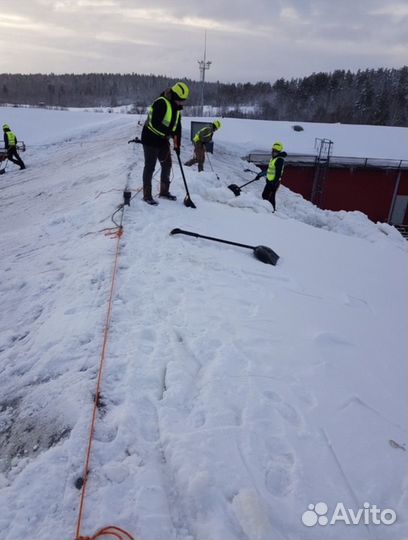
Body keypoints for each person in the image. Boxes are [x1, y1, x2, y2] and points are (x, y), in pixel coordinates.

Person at [140, 81, 190, 205]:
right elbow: (154, 123)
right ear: (173, 95)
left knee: (167, 165)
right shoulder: (161, 103)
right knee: (150, 167)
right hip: (150, 138)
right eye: (179, 100)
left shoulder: (177, 109)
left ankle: (164, 192)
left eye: (183, 100)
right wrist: (168, 134)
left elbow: (177, 129)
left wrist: (177, 145)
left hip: (162, 140)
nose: (181, 103)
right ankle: (147, 195)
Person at [256, 141, 286, 211]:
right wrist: (259, 175)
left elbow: (278, 173)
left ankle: (272, 212)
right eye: (273, 151)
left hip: (274, 182)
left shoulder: (279, 160)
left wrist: (274, 183)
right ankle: (268, 209)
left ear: (279, 152)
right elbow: (269, 170)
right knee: (265, 195)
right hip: (269, 181)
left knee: (270, 197)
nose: (273, 152)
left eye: (275, 151)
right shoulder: (273, 159)